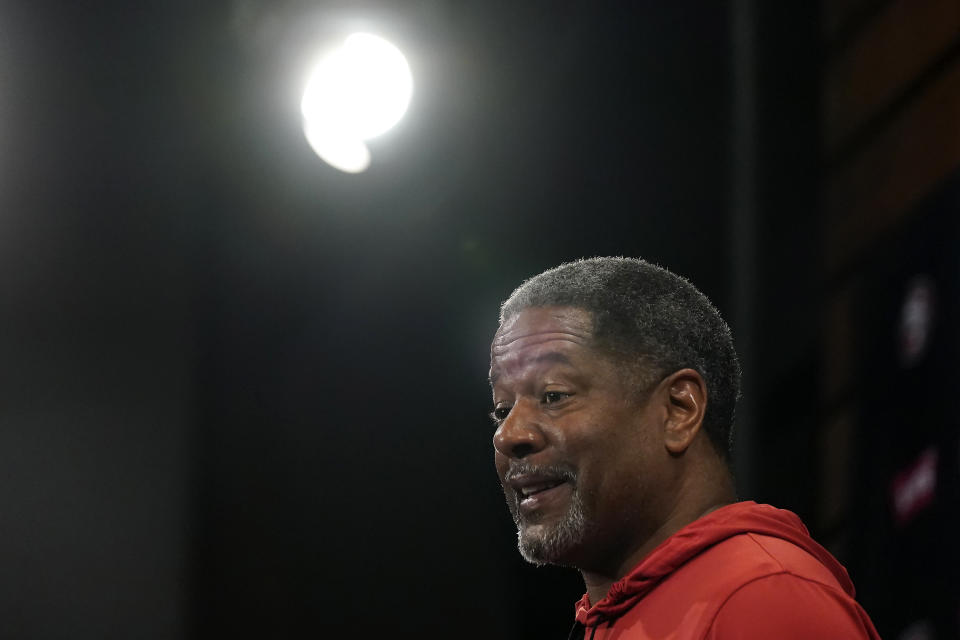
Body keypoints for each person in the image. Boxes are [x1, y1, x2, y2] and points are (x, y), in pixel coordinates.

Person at [488, 257, 880, 640]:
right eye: (502, 409)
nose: (508, 435)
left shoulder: (762, 599)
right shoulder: (618, 615)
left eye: (554, 396)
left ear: (679, 410)